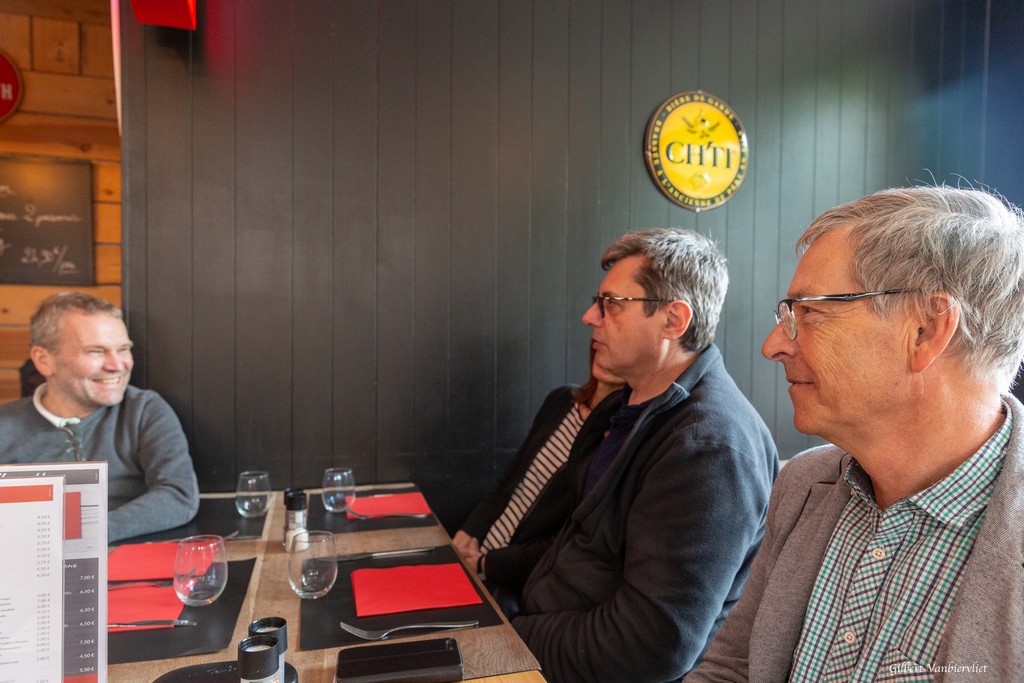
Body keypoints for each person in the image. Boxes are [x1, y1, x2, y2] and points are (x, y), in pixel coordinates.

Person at [686, 186, 1024, 682]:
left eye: (808, 312)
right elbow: (734, 668)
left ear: (926, 330)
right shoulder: (806, 485)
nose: (773, 345)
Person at [512, 228, 779, 683]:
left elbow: (649, 646)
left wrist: (512, 638)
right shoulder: (624, 408)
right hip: (541, 631)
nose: (590, 317)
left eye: (611, 304)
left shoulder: (709, 447)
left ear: (674, 320)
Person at [0, 292, 200, 542]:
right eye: (95, 351)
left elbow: (179, 496)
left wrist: (81, 534)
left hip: (127, 560)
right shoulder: (4, 426)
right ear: (44, 360)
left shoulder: (144, 410)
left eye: (123, 349)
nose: (117, 365)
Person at [453, 351, 624, 612]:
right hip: (479, 550)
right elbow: (510, 480)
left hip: (515, 582)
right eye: (600, 338)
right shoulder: (561, 400)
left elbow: (563, 542)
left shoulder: (614, 441)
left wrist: (485, 563)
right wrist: (468, 533)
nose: (602, 340)